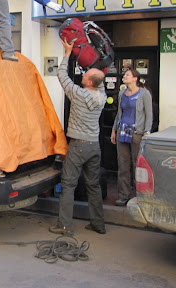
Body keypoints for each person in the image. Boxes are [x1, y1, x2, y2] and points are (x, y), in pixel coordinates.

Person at [49, 38, 107, 236]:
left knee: (68, 184)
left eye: (86, 74)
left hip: (78, 146)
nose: (83, 74)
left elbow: (61, 75)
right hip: (94, 146)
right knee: (93, 185)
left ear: (90, 82)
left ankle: (64, 225)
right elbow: (98, 76)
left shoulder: (79, 95)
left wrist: (67, 53)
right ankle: (98, 224)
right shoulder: (102, 96)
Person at [111, 69, 152, 206]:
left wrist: (146, 132)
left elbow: (149, 114)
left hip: (136, 133)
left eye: (127, 75)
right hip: (122, 132)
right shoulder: (122, 93)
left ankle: (139, 196)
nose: (124, 76)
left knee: (137, 164)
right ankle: (123, 195)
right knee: (123, 164)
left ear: (135, 78)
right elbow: (119, 113)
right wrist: (114, 130)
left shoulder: (144, 93)